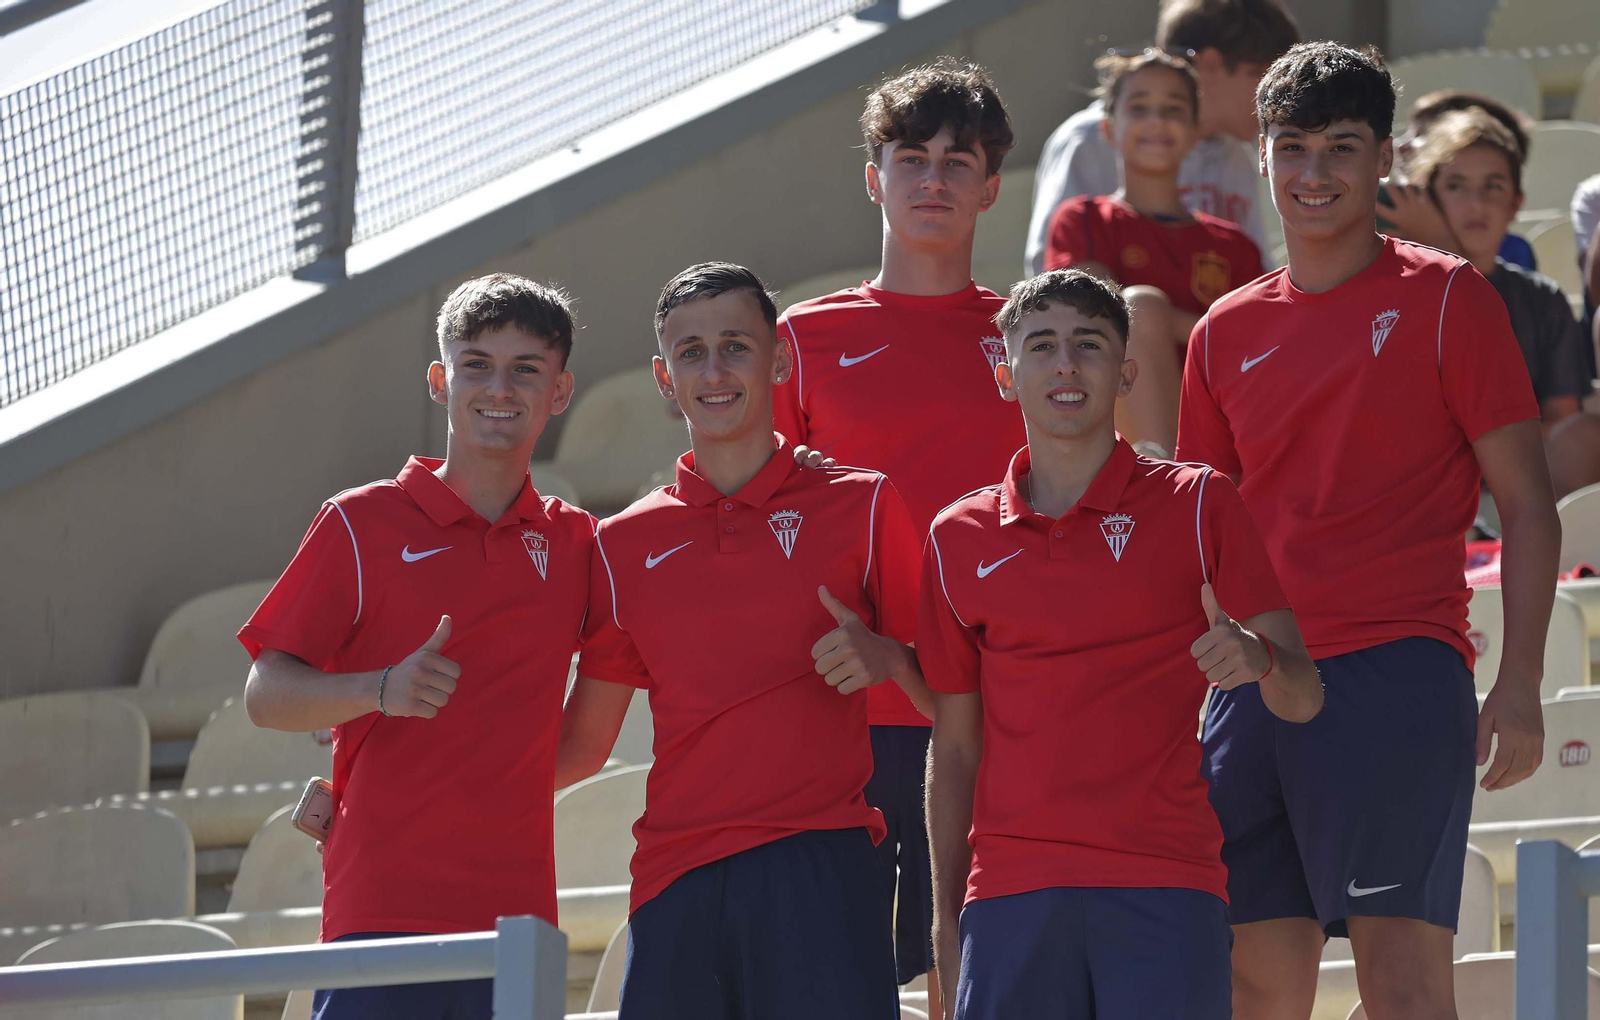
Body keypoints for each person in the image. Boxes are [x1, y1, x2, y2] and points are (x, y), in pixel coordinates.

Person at [1176, 43, 1561, 1020]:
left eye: (1340, 149)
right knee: (1249, 991)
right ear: (1260, 155)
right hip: (1253, 692)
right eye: (1292, 147)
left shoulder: (1445, 299)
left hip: (1397, 675)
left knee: (1400, 987)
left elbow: (1523, 500)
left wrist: (1518, 682)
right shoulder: (1221, 331)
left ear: (1384, 158)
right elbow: (1204, 539)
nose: (1312, 174)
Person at [921, 268, 1323, 1020]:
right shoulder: (954, 536)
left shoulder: (1200, 502)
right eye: (1041, 346)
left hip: (1165, 884)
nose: (1066, 365)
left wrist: (1259, 659)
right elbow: (955, 750)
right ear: (1007, 376)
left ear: (1126, 371)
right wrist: (946, 919)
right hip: (1010, 897)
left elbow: (1303, 697)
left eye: (1089, 345)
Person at [561, 262, 929, 1020]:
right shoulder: (620, 545)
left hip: (822, 867)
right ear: (665, 379)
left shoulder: (861, 504)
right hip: (675, 881)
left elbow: (958, 695)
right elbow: (578, 749)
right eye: (691, 352)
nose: (714, 369)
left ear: (781, 359)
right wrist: (368, 788)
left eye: (735, 345)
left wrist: (891, 661)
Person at [239, 275, 594, 1020]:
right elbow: (265, 694)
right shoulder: (358, 523)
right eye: (476, 364)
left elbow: (585, 745)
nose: (499, 387)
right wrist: (378, 691)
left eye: (526, 368)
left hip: (518, 921)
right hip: (381, 911)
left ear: (559, 392)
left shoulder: (577, 542)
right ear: (441, 380)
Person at [771, 57, 1023, 1014]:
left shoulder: (1032, 340)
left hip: (992, 709)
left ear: (991, 188)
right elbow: (762, 524)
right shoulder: (802, 339)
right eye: (910, 157)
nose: (933, 179)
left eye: (959, 163)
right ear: (874, 178)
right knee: (844, 985)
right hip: (839, 715)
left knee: (976, 970)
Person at [1044, 49, 1264, 453]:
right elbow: (1088, 316)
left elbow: (1256, 347)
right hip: (1114, 426)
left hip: (1221, 418)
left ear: (1197, 131)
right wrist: (1179, 325)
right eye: (1140, 107)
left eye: (1173, 109)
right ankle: (1166, 481)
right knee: (1137, 306)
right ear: (1109, 129)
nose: (1157, 120)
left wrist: (1172, 325)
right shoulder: (1084, 219)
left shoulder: (1235, 247)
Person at [1024, 0, 1300, 275]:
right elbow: (1050, 271)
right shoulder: (1086, 139)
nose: (1276, 98)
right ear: (1212, 64)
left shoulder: (1235, 157)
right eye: (1263, 77)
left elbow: (1253, 277)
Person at [1409, 107, 1600, 498]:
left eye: (1493, 187)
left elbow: (1563, 426)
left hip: (1519, 490)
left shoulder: (1543, 300)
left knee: (1585, 437)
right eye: (1456, 186)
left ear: (1516, 203)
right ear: (1429, 197)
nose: (1476, 204)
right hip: (1423, 491)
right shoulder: (1396, 296)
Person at [1384, 89, 1539, 269]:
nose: (1401, 146)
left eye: (1420, 136)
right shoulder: (1379, 236)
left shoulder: (1510, 251)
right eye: (1456, 186)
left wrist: (1439, 243)